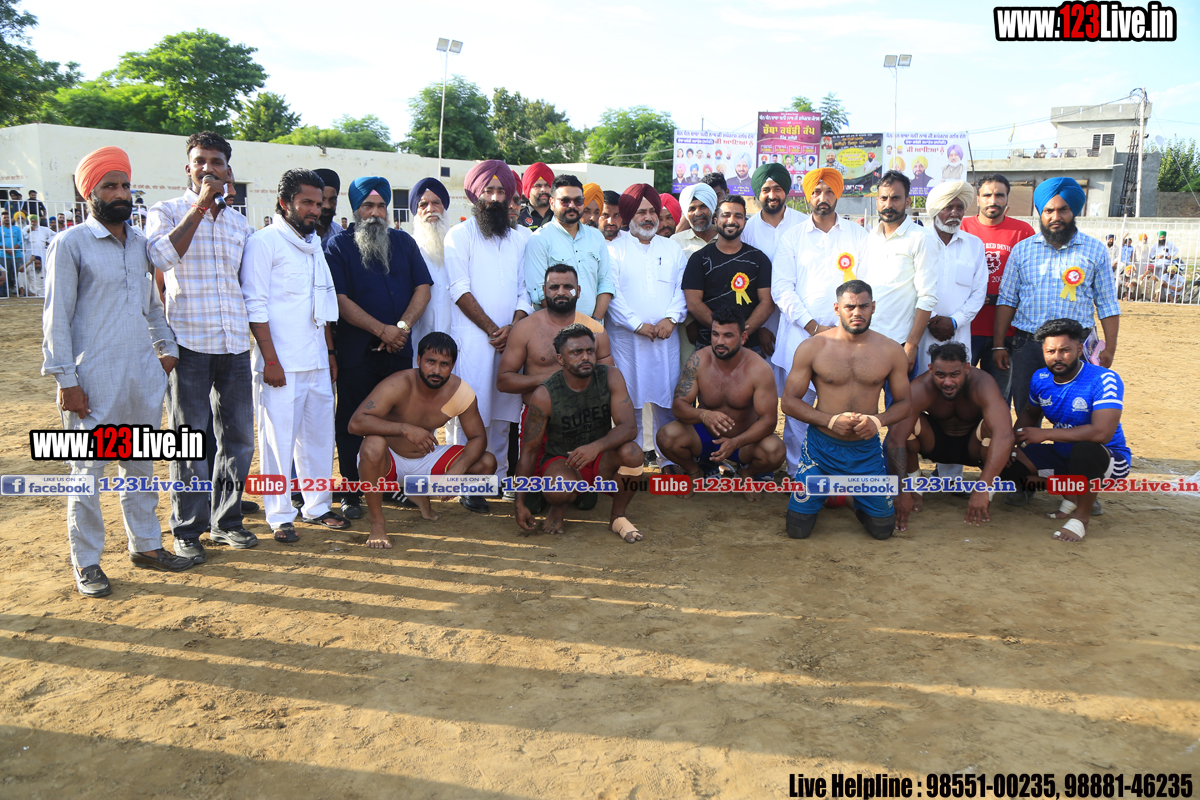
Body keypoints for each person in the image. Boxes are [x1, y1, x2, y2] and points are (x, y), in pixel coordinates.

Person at [42, 146, 193, 596]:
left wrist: (166, 351)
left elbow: (152, 307)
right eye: (110, 186)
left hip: (140, 379)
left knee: (139, 467)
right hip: (90, 382)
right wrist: (66, 381)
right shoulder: (70, 244)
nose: (121, 193)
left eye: (125, 185)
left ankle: (146, 546)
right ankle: (87, 562)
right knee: (87, 474)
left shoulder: (140, 245)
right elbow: (55, 318)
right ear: (89, 193)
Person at [146, 131, 257, 563]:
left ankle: (227, 521)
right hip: (188, 344)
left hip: (234, 345)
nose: (208, 168)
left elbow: (245, 283)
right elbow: (160, 259)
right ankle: (188, 528)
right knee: (189, 441)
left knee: (238, 440)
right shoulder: (166, 211)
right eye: (200, 161)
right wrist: (199, 207)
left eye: (216, 162)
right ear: (188, 168)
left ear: (228, 171)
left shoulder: (239, 224)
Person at [241, 169, 346, 541]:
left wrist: (329, 352)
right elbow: (254, 305)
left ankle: (317, 506)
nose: (315, 210)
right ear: (284, 203)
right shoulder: (264, 242)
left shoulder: (313, 243)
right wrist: (270, 360)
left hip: (316, 360)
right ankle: (280, 515)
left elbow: (323, 303)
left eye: (318, 203)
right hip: (280, 365)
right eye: (306, 203)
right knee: (278, 443)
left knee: (319, 439)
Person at [324, 177, 433, 519]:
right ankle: (352, 491)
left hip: (398, 352)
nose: (375, 212)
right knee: (352, 421)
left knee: (397, 419)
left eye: (381, 206)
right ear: (355, 210)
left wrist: (401, 328)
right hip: (357, 354)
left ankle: (390, 485)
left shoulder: (404, 242)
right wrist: (381, 330)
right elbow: (339, 299)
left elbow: (423, 288)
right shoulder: (338, 247)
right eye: (367, 206)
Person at [781, 280, 912, 540]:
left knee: (882, 531)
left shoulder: (891, 350)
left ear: (873, 307)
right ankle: (832, 492)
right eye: (850, 307)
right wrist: (830, 421)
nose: (857, 312)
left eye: (863, 306)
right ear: (837, 308)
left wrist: (878, 421)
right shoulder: (813, 347)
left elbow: (905, 403)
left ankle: (846, 496)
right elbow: (789, 402)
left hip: (866, 451)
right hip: (821, 451)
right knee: (797, 530)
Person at [349, 332, 497, 547]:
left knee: (487, 462)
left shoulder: (460, 392)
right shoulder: (398, 384)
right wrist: (404, 429)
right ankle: (377, 523)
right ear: (418, 360)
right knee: (372, 444)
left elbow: (478, 437)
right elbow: (356, 423)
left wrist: (458, 470)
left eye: (444, 364)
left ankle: (417, 491)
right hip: (388, 462)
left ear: (453, 365)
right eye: (430, 362)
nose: (436, 370)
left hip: (424, 459)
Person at [445, 160, 534, 507]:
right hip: (472, 339)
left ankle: (495, 477)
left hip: (511, 340)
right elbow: (459, 288)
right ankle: (467, 482)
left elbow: (526, 290)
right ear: (475, 194)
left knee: (502, 413)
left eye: (501, 191)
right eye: (489, 191)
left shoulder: (521, 238)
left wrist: (513, 327)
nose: (495, 198)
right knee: (470, 411)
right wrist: (492, 329)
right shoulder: (459, 235)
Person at [994, 177, 1119, 417]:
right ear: (1040, 213)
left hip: (1076, 346)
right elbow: (1007, 300)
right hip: (1028, 346)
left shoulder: (1095, 250)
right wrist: (999, 344)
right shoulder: (1022, 250)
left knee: (1079, 412)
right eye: (1049, 210)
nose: (1056, 216)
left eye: (1064, 210)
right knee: (1026, 412)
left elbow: (1107, 304)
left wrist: (1110, 348)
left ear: (1074, 212)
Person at [771, 168, 869, 473]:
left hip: (847, 339)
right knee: (799, 410)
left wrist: (844, 328)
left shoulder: (858, 235)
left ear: (837, 194)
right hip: (802, 337)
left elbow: (867, 285)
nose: (822, 197)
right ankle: (797, 472)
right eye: (816, 191)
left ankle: (836, 471)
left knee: (842, 408)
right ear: (807, 196)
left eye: (828, 191)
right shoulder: (792, 237)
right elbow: (782, 288)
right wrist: (813, 326)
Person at [513, 324, 646, 542]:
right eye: (576, 352)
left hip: (599, 458)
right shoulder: (545, 394)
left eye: (590, 351)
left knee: (633, 453)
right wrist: (519, 503)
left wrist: (595, 447)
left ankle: (617, 517)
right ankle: (559, 506)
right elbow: (528, 452)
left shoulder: (611, 376)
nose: (585, 357)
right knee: (558, 489)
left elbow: (629, 427)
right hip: (561, 461)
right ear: (560, 359)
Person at [1007, 318, 1130, 542]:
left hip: (1108, 459)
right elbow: (1030, 414)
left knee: (1085, 450)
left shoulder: (1103, 378)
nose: (1057, 357)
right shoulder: (1040, 378)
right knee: (1006, 461)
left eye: (1065, 350)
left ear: (1079, 350)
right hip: (1063, 454)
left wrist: (1045, 434)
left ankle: (1081, 519)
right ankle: (1071, 492)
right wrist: (1009, 442)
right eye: (1050, 351)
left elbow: (1102, 433)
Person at [657, 307, 785, 500]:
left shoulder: (759, 369)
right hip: (705, 438)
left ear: (743, 337)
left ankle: (747, 473)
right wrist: (704, 415)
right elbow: (679, 406)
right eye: (715, 334)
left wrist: (736, 442)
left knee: (775, 451)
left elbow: (769, 421)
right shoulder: (698, 360)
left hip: (743, 442)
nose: (720, 341)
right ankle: (695, 472)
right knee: (666, 436)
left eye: (728, 335)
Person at [886, 342, 1015, 532]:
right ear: (931, 369)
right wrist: (903, 488)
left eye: (955, 374)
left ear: (967, 368)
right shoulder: (920, 387)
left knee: (994, 428)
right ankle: (916, 483)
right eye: (941, 375)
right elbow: (894, 439)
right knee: (905, 423)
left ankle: (987, 491)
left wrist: (983, 487)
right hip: (935, 445)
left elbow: (1005, 435)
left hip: (974, 447)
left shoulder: (983, 384)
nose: (948, 382)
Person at [606, 184, 687, 469]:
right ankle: (633, 463)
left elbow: (682, 288)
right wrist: (637, 324)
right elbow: (612, 293)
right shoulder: (613, 250)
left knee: (667, 401)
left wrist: (671, 318)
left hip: (665, 339)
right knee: (631, 403)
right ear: (629, 215)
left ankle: (668, 460)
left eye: (653, 211)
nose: (649, 217)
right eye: (641, 212)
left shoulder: (672, 248)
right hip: (627, 341)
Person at [960, 173, 1035, 403]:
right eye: (987, 195)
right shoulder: (962, 227)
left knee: (999, 396)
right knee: (960, 392)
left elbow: (1030, 278)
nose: (993, 201)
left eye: (999, 195)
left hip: (1006, 331)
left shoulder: (1023, 232)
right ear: (978, 199)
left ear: (1007, 199)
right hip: (967, 327)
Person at [858, 170, 939, 380]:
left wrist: (911, 344)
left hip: (900, 341)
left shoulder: (921, 238)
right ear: (877, 201)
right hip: (868, 337)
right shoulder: (871, 237)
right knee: (864, 400)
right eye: (883, 198)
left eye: (895, 198)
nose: (888, 204)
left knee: (899, 401)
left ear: (907, 201)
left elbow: (927, 296)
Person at [498, 264, 613, 404]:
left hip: (585, 411)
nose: (561, 292)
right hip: (539, 413)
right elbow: (503, 381)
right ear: (544, 290)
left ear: (578, 291)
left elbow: (610, 380)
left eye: (568, 287)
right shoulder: (525, 329)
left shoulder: (596, 331)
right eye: (554, 287)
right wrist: (554, 378)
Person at [682, 195, 775, 351]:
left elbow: (767, 303)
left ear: (744, 222)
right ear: (716, 220)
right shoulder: (699, 259)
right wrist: (724, 333)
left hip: (749, 345)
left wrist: (742, 333)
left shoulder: (759, 259)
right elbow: (693, 303)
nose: (731, 220)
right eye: (725, 215)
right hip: (709, 345)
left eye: (738, 216)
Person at [915, 181, 986, 375]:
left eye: (959, 208)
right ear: (935, 210)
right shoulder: (917, 240)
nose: (955, 213)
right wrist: (931, 319)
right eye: (948, 207)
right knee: (920, 383)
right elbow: (908, 287)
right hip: (921, 331)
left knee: (956, 383)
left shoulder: (974, 245)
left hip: (959, 332)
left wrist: (954, 321)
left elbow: (979, 292)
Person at [524, 175, 614, 320]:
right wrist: (569, 326)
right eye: (565, 201)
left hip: (592, 327)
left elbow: (606, 283)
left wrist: (594, 322)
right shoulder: (539, 239)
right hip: (554, 327)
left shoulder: (596, 237)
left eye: (578, 201)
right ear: (552, 203)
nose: (572, 206)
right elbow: (539, 293)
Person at [409, 177, 454, 367]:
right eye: (423, 204)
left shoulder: (457, 247)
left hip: (455, 339)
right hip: (419, 339)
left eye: (437, 203)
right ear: (416, 211)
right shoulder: (409, 248)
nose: (430, 209)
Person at [520, 162, 555, 229]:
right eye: (537, 186)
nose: (543, 189)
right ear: (528, 189)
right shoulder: (518, 217)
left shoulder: (560, 215)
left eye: (547, 185)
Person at [313, 168, 343, 246]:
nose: (327, 206)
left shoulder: (339, 233)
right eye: (322, 199)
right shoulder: (296, 233)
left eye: (332, 199)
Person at [1, 210, 22, 295]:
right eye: (4, 218)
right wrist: (8, 251)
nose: (7, 219)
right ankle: (7, 290)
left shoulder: (17, 229)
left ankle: (20, 289)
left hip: (17, 254)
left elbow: (21, 241)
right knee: (7, 273)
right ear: (2, 219)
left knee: (19, 273)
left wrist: (13, 249)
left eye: (8, 217)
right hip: (3, 255)